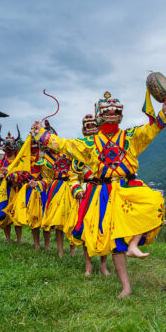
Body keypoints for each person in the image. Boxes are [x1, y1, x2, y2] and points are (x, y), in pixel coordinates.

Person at [32, 91, 166, 297]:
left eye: (116, 111)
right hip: (103, 193)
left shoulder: (130, 136)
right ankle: (126, 286)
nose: (112, 114)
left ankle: (133, 244)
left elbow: (150, 130)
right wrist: (41, 135)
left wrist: (164, 113)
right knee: (115, 241)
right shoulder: (89, 144)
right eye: (107, 111)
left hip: (128, 187)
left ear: (121, 115)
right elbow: (64, 145)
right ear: (99, 115)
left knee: (155, 203)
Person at [68, 114, 109, 276]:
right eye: (88, 127)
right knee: (86, 230)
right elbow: (72, 176)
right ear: (84, 131)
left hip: (105, 192)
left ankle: (103, 265)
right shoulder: (80, 153)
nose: (92, 130)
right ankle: (88, 266)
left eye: (94, 126)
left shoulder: (106, 149)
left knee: (104, 228)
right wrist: (77, 189)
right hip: (88, 194)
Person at [38, 121, 80, 258]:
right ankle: (61, 252)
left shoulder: (67, 153)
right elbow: (47, 178)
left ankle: (72, 250)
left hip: (69, 187)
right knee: (57, 223)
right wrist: (38, 184)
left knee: (71, 219)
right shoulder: (46, 159)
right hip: (55, 189)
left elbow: (76, 170)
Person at [0, 127, 30, 244]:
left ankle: (19, 240)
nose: (8, 150)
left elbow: (25, 176)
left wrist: (12, 176)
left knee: (16, 216)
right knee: (4, 216)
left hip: (17, 191)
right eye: (6, 148)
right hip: (4, 192)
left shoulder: (20, 162)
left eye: (10, 147)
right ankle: (8, 239)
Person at [10, 135, 48, 250]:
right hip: (29, 191)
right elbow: (19, 175)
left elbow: (50, 175)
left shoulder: (46, 158)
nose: (35, 146)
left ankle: (47, 246)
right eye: (33, 144)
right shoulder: (24, 160)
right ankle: (37, 245)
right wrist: (11, 174)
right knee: (33, 218)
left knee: (45, 217)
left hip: (43, 189)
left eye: (37, 143)